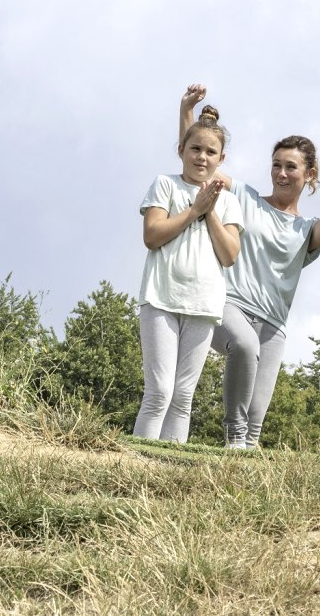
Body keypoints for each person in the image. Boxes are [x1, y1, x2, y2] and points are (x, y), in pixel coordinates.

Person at [176, 85, 320, 448]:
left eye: (291, 167)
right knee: (244, 349)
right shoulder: (246, 198)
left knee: (256, 424)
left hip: (273, 325)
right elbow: (198, 165)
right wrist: (187, 111)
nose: (281, 173)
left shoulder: (307, 229)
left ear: (309, 175)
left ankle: (237, 476)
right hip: (229, 305)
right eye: (276, 165)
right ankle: (232, 435)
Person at [134, 105, 243, 443]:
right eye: (195, 149)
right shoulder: (165, 185)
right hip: (161, 299)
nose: (202, 157)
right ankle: (137, 463)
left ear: (221, 159)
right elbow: (152, 236)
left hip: (204, 305)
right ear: (181, 150)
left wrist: (208, 211)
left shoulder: (228, 202)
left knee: (182, 397)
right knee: (159, 392)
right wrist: (194, 209)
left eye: (211, 152)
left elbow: (229, 255)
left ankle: (167, 467)